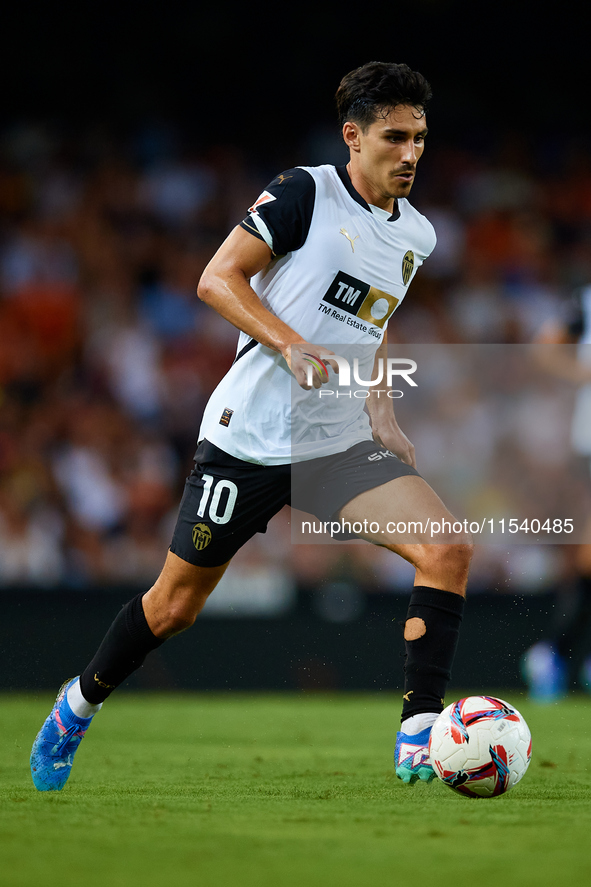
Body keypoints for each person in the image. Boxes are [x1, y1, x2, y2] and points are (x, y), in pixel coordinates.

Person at [30, 61, 472, 791]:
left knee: (447, 549)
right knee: (174, 606)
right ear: (352, 138)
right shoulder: (305, 191)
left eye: (419, 137)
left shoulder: (416, 233)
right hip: (249, 439)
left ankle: (418, 732)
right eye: (394, 137)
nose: (411, 153)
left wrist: (382, 410)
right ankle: (75, 706)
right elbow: (216, 277)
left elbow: (374, 318)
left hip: (334, 443)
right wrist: (288, 341)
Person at [522, 287, 591, 700]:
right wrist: (583, 372)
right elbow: (545, 348)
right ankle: (555, 653)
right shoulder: (585, 301)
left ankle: (555, 653)